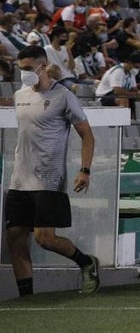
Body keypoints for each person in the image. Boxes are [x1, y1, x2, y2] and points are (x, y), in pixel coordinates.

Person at [4, 45, 101, 297]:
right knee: (15, 239)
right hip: (19, 179)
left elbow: (87, 135)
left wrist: (85, 170)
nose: (23, 73)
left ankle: (86, 262)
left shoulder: (64, 96)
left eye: (27, 68)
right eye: (20, 68)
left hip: (49, 178)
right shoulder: (19, 95)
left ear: (42, 66)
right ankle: (26, 296)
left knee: (45, 239)